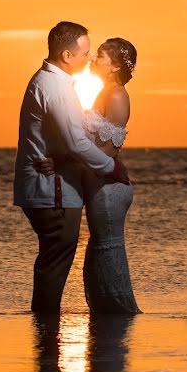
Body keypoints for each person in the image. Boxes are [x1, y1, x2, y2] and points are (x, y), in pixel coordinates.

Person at [13, 21, 129, 314]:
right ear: (66, 55)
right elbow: (76, 142)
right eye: (85, 53)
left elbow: (73, 140)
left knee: (52, 265)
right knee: (54, 266)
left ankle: (45, 336)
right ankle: (47, 338)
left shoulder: (52, 82)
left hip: (51, 188)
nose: (89, 58)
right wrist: (111, 168)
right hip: (53, 191)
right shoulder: (57, 88)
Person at [36, 38, 142, 315]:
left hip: (109, 190)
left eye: (102, 56)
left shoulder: (118, 95)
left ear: (115, 66)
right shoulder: (103, 92)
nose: (94, 59)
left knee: (106, 251)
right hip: (98, 186)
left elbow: (109, 149)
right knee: (97, 253)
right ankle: (106, 323)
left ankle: (119, 317)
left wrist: (62, 161)